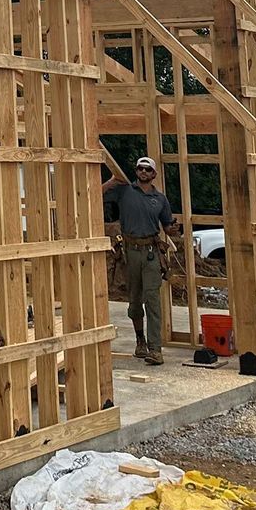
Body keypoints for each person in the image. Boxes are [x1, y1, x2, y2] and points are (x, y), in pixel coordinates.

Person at [107, 156, 182, 365]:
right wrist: (112, 182)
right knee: (134, 301)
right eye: (140, 169)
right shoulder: (125, 191)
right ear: (136, 171)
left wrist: (172, 230)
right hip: (130, 253)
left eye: (148, 170)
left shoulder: (160, 199)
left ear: (154, 174)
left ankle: (155, 349)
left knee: (152, 300)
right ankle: (140, 340)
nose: (143, 172)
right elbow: (93, 194)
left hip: (150, 253)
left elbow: (167, 225)